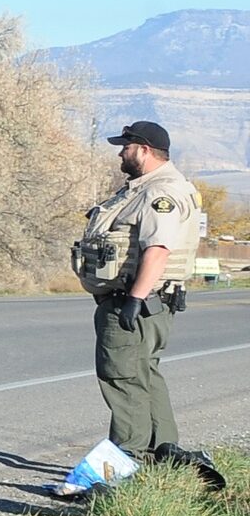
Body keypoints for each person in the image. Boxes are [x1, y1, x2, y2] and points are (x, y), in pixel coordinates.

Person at [72, 121, 202, 462]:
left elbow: (158, 249)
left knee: (122, 377)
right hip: (147, 302)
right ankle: (165, 454)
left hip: (135, 303)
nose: (120, 152)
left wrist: (134, 299)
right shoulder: (143, 188)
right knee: (144, 374)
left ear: (143, 150)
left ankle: (124, 462)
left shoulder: (160, 193)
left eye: (125, 146)